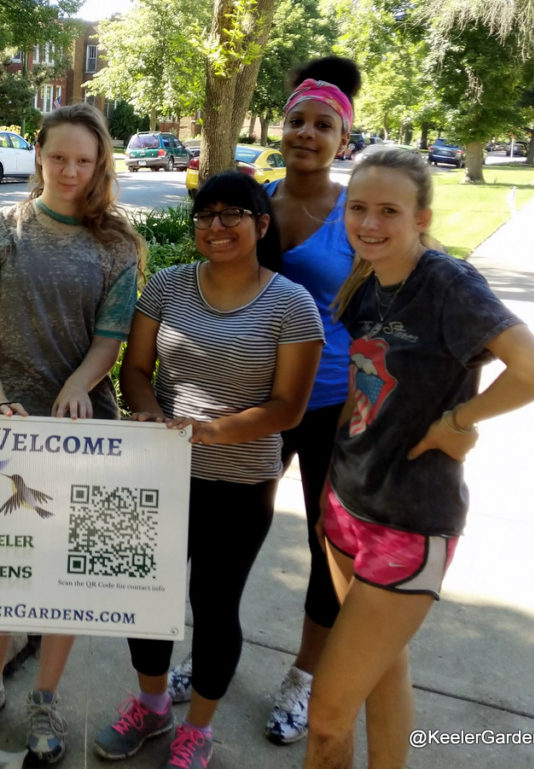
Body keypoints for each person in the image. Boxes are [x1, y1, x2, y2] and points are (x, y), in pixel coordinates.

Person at [303, 148, 534, 769]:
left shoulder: (448, 284)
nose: (369, 223)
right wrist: (329, 490)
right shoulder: (368, 278)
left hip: (407, 524)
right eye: (358, 208)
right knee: (383, 675)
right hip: (346, 506)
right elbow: (364, 390)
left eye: (389, 211)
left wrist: (456, 422)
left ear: (422, 216)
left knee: (327, 718)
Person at [94, 171, 324, 769]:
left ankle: (198, 728)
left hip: (241, 482)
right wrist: (150, 418)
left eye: (233, 215)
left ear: (261, 224)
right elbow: (136, 371)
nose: (216, 227)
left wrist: (207, 430)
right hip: (161, 472)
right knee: (145, 596)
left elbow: (288, 407)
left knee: (216, 605)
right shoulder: (167, 287)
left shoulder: (291, 305)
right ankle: (151, 706)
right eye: (205, 215)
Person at [0, 103, 145, 764]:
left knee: (70, 578)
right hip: (8, 429)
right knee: (1, 569)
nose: (70, 171)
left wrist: (81, 383)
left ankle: (45, 697)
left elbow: (110, 341)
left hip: (86, 429)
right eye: (59, 157)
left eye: (84, 160)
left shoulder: (118, 243)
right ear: (39, 154)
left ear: (99, 164)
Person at [167, 55, 361, 747]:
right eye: (296, 121)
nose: (306, 133)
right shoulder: (257, 205)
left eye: (323, 124)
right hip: (258, 401)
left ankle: (304, 677)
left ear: (345, 136)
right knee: (222, 533)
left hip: (336, 408)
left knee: (328, 542)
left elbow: (388, 306)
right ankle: (209, 650)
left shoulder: (358, 209)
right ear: (280, 129)